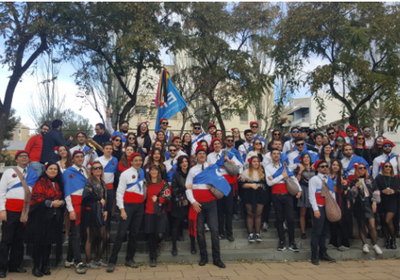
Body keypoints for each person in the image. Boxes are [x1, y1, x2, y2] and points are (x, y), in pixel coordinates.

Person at [185, 145, 226, 268]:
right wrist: (193, 202)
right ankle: (203, 257)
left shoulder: (212, 168)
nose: (201, 155)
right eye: (199, 154)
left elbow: (221, 182)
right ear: (196, 156)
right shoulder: (192, 170)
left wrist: (212, 186)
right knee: (200, 232)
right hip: (198, 205)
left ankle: (217, 259)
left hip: (211, 203)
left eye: (203, 153)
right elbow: (188, 188)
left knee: (214, 231)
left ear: (205, 155)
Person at [0, 151, 39, 279]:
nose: (24, 158)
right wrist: (2, 209)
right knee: (6, 240)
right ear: (16, 159)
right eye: (21, 156)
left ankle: (15, 265)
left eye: (26, 156)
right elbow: (1, 191)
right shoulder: (8, 173)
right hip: (10, 210)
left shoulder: (33, 174)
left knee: (19, 240)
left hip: (25, 211)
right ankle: (2, 267)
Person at [106, 153, 145, 272]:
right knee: (121, 233)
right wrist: (122, 209)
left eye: (140, 160)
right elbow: (119, 192)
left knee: (134, 233)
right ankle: (112, 261)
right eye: (136, 160)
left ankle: (129, 259)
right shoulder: (125, 174)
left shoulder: (142, 172)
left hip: (139, 206)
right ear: (131, 162)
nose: (138, 162)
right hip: (127, 206)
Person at [26, 162, 65, 277]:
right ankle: (36, 267)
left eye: (55, 169)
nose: (53, 171)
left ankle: (44, 265)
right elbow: (36, 198)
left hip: (54, 217)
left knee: (48, 243)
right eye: (50, 169)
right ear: (46, 170)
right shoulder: (40, 182)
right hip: (40, 217)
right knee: (39, 243)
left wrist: (61, 202)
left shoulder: (59, 183)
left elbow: (63, 197)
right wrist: (52, 203)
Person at [265, 149, 302, 252]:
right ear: (271, 155)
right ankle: (282, 241)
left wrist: (299, 189)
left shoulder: (285, 166)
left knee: (290, 219)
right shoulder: (268, 167)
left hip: (288, 194)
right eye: (274, 154)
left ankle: (292, 242)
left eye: (278, 154)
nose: (276, 155)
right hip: (276, 195)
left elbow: (293, 178)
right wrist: (282, 176)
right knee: (279, 219)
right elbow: (269, 183)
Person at [208, 138, 243, 242]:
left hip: (228, 183)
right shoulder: (210, 156)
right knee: (219, 209)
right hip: (217, 183)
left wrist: (229, 160)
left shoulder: (227, 153)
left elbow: (240, 165)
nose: (217, 145)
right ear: (213, 146)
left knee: (228, 209)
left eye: (219, 143)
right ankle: (220, 232)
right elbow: (207, 168)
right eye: (215, 144)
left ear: (221, 144)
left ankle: (229, 233)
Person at [62, 150, 88, 274]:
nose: (79, 159)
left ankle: (69, 259)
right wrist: (70, 209)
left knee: (77, 233)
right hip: (75, 204)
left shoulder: (85, 171)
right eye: (77, 157)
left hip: (85, 204)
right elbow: (67, 191)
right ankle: (78, 262)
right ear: (72, 159)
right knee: (76, 233)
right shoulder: (68, 172)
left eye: (81, 157)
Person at [308, 160, 337, 265]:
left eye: (326, 166)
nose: (325, 167)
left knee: (325, 232)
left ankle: (323, 253)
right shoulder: (314, 179)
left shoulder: (329, 179)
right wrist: (315, 209)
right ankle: (314, 255)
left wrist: (333, 208)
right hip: (319, 207)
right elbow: (311, 195)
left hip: (327, 207)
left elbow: (332, 194)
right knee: (317, 232)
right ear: (318, 168)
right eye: (322, 166)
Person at [350, 162, 382, 255]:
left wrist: (375, 202)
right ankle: (364, 244)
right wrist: (355, 188)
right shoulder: (353, 180)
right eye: (360, 168)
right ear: (357, 169)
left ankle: (375, 244)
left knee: (372, 225)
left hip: (370, 202)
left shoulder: (370, 179)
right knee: (362, 225)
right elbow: (352, 195)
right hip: (359, 204)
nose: (362, 169)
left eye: (364, 168)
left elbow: (376, 190)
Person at [81, 161, 107, 269]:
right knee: (90, 237)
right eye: (95, 168)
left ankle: (98, 259)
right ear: (92, 170)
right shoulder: (89, 181)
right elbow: (86, 196)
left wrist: (106, 210)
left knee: (104, 236)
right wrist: (98, 198)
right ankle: (88, 261)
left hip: (101, 212)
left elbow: (105, 198)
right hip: (90, 212)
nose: (98, 170)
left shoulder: (102, 182)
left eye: (99, 168)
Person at [144, 165, 171, 267]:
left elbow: (168, 197)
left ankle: (157, 245)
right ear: (149, 172)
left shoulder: (163, 184)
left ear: (159, 172)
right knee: (150, 234)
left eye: (156, 170)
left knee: (159, 234)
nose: (154, 172)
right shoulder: (146, 183)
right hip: (148, 211)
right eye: (152, 170)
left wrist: (159, 199)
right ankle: (153, 256)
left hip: (160, 212)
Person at [171, 155, 196, 256]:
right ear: (179, 164)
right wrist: (185, 187)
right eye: (182, 162)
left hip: (190, 202)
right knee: (176, 225)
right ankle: (174, 247)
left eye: (186, 161)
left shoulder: (192, 173)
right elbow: (174, 190)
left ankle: (193, 246)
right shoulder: (176, 175)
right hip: (179, 203)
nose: (184, 163)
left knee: (191, 225)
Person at [240, 156, 267, 243]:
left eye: (257, 161)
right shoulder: (246, 172)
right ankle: (250, 234)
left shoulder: (263, 172)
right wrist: (251, 185)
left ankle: (258, 233)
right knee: (250, 213)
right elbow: (242, 184)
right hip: (249, 193)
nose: (256, 163)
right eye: (254, 161)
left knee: (258, 214)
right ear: (251, 163)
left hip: (260, 193)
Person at [327, 159, 352, 251]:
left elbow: (346, 189)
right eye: (333, 164)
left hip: (341, 200)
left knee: (342, 221)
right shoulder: (327, 176)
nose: (335, 166)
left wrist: (348, 201)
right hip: (330, 200)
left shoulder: (343, 176)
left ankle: (345, 242)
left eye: (337, 165)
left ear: (340, 167)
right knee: (333, 220)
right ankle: (333, 241)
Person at [375, 161, 400, 250]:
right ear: (383, 168)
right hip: (382, 201)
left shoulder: (395, 179)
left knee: (387, 220)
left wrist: (394, 191)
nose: (388, 168)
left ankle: (393, 239)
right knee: (383, 222)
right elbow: (375, 188)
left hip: (392, 201)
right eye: (386, 166)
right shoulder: (378, 178)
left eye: (390, 166)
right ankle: (387, 239)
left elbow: (398, 189)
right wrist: (382, 191)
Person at [97, 142, 118, 230]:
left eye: (110, 148)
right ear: (103, 150)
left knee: (108, 210)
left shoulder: (115, 160)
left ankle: (107, 231)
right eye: (107, 148)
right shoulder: (98, 160)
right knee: (100, 210)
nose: (109, 150)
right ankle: (100, 230)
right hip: (100, 187)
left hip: (110, 188)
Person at [293, 153, 315, 239]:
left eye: (308, 157)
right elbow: (297, 180)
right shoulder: (298, 169)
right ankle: (303, 232)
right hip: (304, 190)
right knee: (303, 213)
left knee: (313, 212)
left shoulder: (315, 168)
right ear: (301, 159)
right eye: (304, 158)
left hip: (313, 190)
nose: (306, 159)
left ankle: (314, 230)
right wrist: (300, 171)